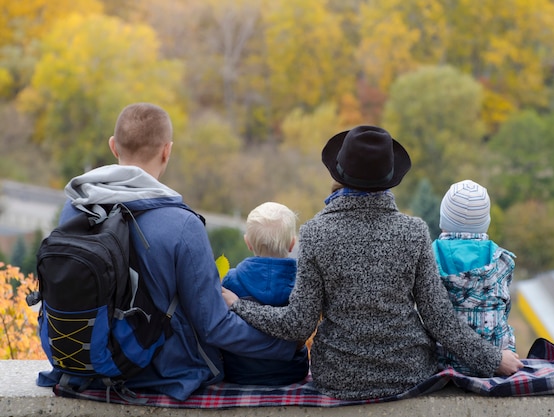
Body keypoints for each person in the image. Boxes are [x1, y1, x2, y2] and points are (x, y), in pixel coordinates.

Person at [222, 125, 523, 400]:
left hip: (338, 377)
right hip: (408, 373)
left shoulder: (315, 233)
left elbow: (298, 325)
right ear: (389, 179)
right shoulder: (414, 231)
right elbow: (438, 318)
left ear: (338, 174)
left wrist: (239, 305)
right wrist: (493, 358)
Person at [37, 103, 298, 400]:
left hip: (79, 363)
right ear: (167, 151)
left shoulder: (75, 207)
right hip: (155, 374)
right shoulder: (182, 225)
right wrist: (285, 346)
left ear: (113, 146)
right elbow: (215, 327)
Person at [432, 179, 517, 374]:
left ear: (443, 218)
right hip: (498, 364)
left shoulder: (428, 257)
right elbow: (504, 311)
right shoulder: (503, 261)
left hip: (441, 362)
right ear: (485, 222)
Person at [220, 201, 309, 385]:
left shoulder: (231, 281)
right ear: (292, 243)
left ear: (248, 243)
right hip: (291, 371)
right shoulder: (301, 285)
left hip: (238, 371)